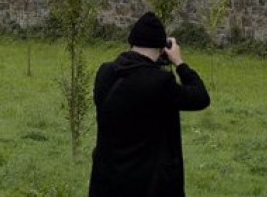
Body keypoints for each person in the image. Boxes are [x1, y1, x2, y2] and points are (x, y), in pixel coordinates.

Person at [89, 11, 211, 197]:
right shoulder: (159, 82)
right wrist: (179, 63)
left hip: (106, 180)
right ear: (162, 48)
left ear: (132, 42)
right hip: (144, 184)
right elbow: (200, 97)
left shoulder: (105, 73)